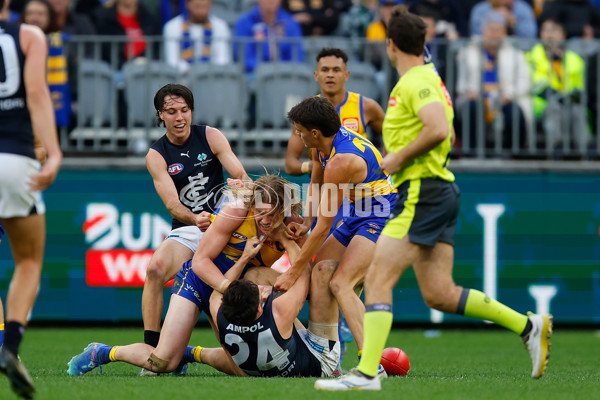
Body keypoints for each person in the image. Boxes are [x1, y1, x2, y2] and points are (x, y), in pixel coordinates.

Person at [314, 7, 552, 391]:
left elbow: (440, 129)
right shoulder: (424, 77)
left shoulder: (416, 81)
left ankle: (367, 372)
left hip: (422, 190)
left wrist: (396, 157)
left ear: (390, 45)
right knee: (440, 293)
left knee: (376, 276)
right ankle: (529, 325)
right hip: (438, 191)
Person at [67, 175, 304, 376]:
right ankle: (103, 352)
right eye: (260, 213)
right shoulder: (236, 213)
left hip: (231, 287)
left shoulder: (292, 225)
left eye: (272, 215)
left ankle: (190, 353)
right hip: (200, 282)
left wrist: (284, 238)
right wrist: (229, 288)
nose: (264, 220)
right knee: (161, 363)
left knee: (244, 369)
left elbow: (301, 274)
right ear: (252, 204)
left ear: (284, 210)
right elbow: (200, 261)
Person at [276, 96, 397, 371]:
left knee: (341, 283)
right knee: (321, 272)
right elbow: (316, 178)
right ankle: (327, 356)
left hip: (382, 216)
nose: (297, 134)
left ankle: (371, 363)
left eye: (300, 130)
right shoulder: (323, 145)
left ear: (314, 132)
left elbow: (325, 227)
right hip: (359, 213)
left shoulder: (342, 161)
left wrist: (293, 271)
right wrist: (307, 219)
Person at [137, 83, 248, 375]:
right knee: (155, 269)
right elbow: (173, 205)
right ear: (160, 115)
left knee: (223, 306)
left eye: (184, 110)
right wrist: (193, 217)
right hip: (189, 226)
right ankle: (152, 348)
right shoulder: (156, 154)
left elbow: (239, 174)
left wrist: (241, 185)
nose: (179, 117)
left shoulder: (210, 135)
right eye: (171, 112)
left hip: (224, 220)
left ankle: (240, 347)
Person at [0, 0, 63, 396]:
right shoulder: (27, 35)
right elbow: (37, 92)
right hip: (13, 159)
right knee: (28, 260)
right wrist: (54, 152)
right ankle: (11, 347)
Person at [197, 260, 341, 377]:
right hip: (318, 361)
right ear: (260, 308)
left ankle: (191, 353)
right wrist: (286, 240)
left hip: (261, 368)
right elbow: (304, 272)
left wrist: (244, 258)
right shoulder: (278, 313)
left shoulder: (220, 317)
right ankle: (336, 367)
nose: (261, 287)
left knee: (255, 274)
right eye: (258, 290)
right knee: (326, 269)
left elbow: (216, 293)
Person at [285, 47, 386, 176]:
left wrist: (385, 162)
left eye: (336, 70)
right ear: (316, 75)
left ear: (346, 75)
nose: (330, 75)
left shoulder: (366, 106)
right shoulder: (306, 113)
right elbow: (290, 164)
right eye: (325, 70)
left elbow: (393, 137)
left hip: (358, 190)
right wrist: (313, 166)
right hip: (322, 187)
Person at [454, 11, 532, 155]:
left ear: (504, 34)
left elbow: (524, 82)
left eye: (499, 31)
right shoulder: (467, 52)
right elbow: (461, 84)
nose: (495, 35)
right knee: (471, 108)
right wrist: (469, 92)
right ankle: (473, 153)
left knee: (515, 112)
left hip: (506, 98)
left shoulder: (516, 54)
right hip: (477, 98)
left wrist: (508, 95)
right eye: (491, 30)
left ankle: (515, 155)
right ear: (483, 32)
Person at [526, 16, 590, 152]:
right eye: (545, 31)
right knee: (554, 108)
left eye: (554, 31)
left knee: (578, 110)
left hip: (570, 103)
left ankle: (585, 152)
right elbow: (536, 84)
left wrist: (571, 96)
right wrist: (558, 96)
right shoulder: (531, 57)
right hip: (542, 104)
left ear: (563, 35)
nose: (549, 35)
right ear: (540, 34)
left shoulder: (575, 59)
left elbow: (580, 86)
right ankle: (556, 150)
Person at [233, 0, 305, 76]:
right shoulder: (244, 23)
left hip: (286, 74)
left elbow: (297, 56)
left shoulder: (290, 22)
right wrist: (266, 70)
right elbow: (244, 57)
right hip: (253, 74)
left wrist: (282, 70)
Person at [163, 0, 231, 75]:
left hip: (212, 77)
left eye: (205, 7)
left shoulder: (220, 26)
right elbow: (172, 60)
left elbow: (223, 59)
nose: (202, 11)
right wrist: (191, 71)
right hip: (181, 77)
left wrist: (205, 71)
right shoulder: (172, 26)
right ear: (188, 4)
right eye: (197, 6)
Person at [469, 0, 537, 38]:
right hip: (485, 53)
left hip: (518, 52)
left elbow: (530, 36)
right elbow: (476, 35)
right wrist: (493, 17)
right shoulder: (480, 9)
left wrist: (514, 23)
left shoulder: (523, 9)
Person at [281, 0, 352, 36]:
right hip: (296, 42)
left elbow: (333, 19)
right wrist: (311, 29)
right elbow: (283, 20)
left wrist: (310, 18)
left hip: (324, 43)